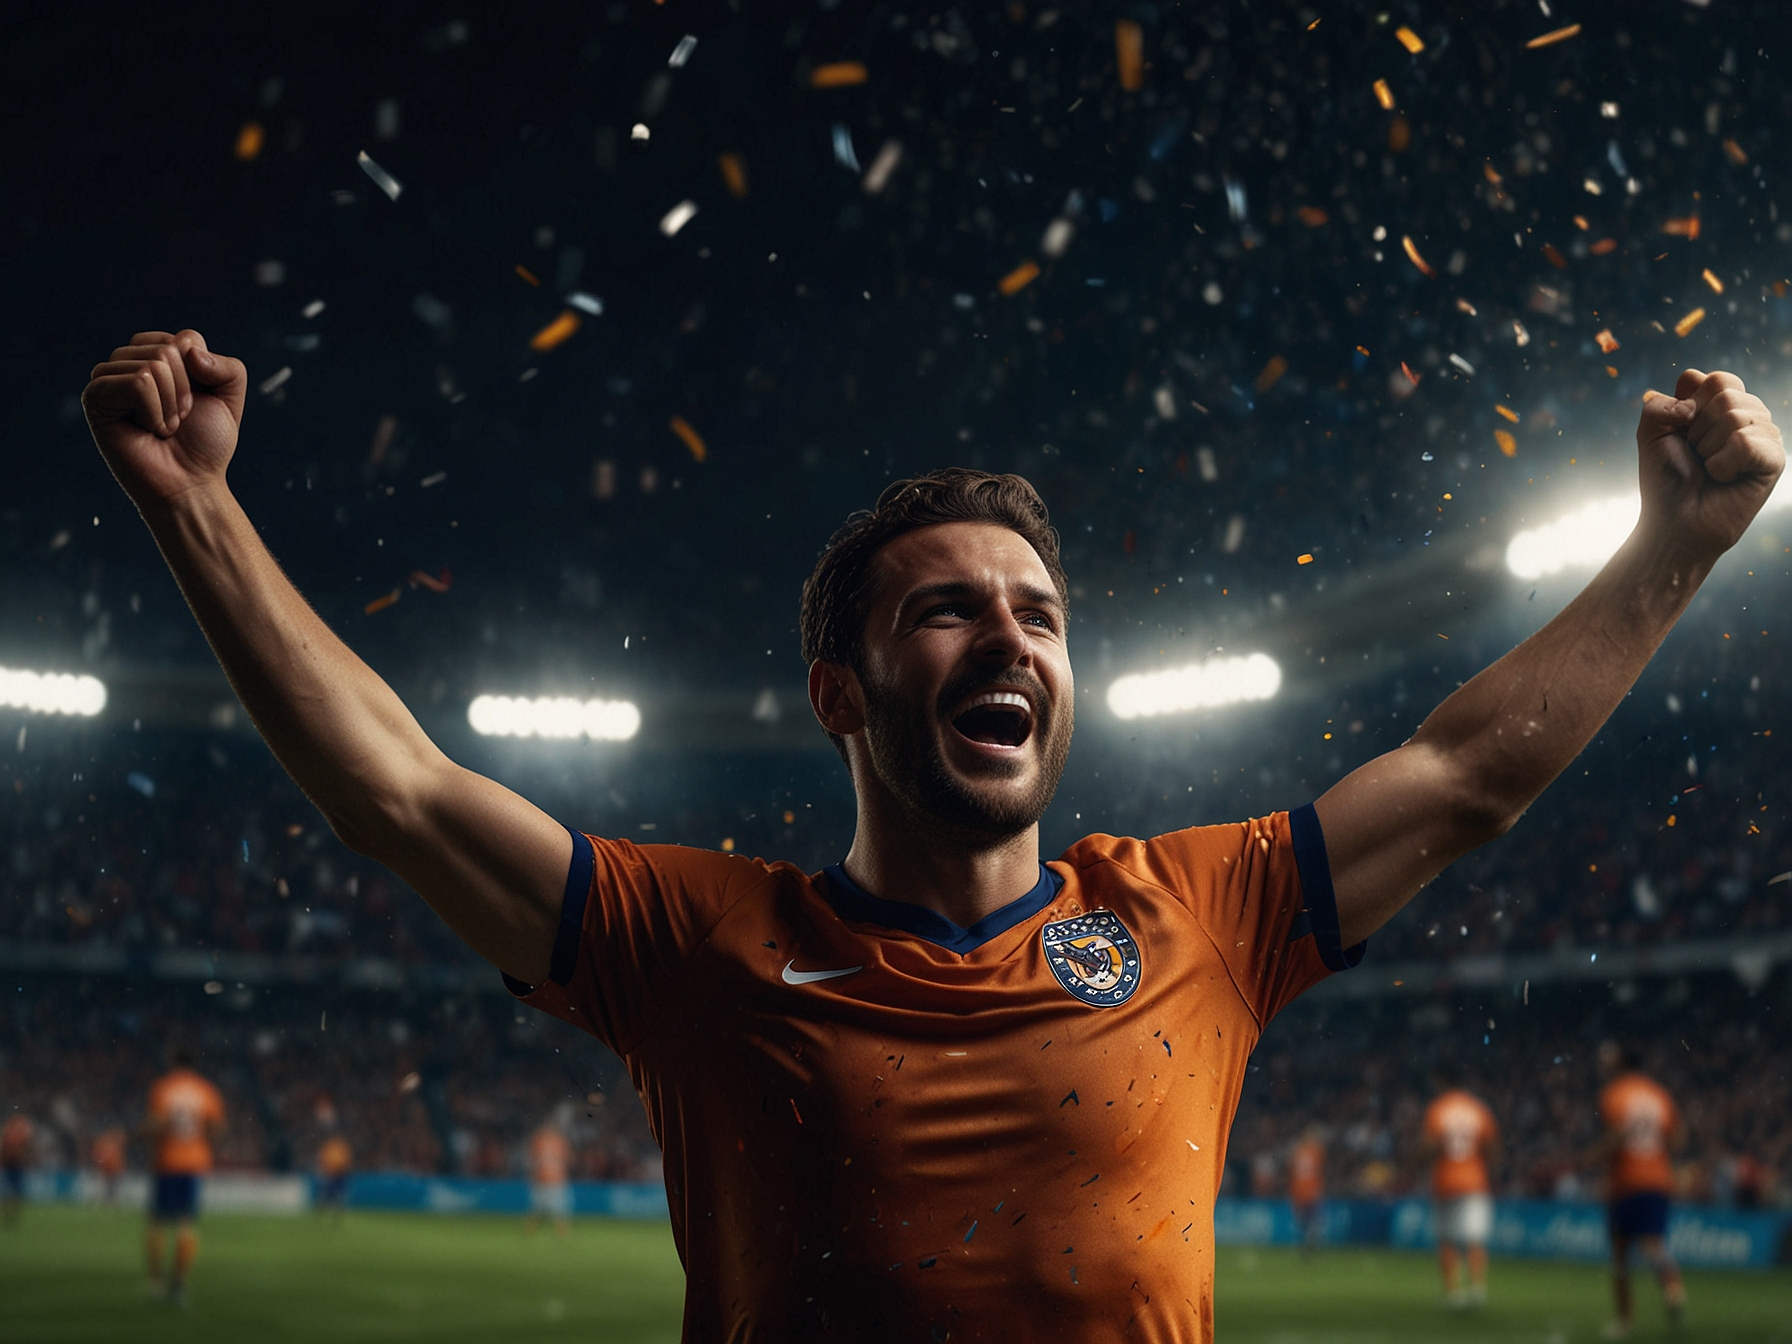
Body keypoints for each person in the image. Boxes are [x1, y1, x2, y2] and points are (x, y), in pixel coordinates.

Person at [81, 329, 1782, 1341]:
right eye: (945, 611)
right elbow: (403, 790)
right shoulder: (696, 940)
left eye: (1038, 611)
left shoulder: (1202, 909)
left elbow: (1467, 766)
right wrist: (197, 506)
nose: (1008, 636)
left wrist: (1674, 547)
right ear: (838, 691)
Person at [1598, 1044, 1685, 1338]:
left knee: (1620, 1253)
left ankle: (1624, 1320)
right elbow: (1676, 1139)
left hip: (1626, 1181)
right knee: (1653, 1244)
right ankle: (1673, 1289)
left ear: (1621, 1063)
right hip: (1658, 1178)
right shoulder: (1659, 1094)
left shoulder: (1614, 1094)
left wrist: (1596, 1157)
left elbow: (1615, 1137)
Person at [141, 1047, 225, 1305]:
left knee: (157, 1221)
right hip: (194, 1163)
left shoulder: (163, 1087)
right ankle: (180, 1283)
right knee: (186, 1222)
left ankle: (155, 1281)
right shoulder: (206, 1090)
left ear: (172, 1060)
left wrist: (145, 1145)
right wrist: (207, 1149)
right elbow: (217, 1128)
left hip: (167, 1162)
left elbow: (156, 1124)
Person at [1423, 1083, 1498, 1308]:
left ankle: (1453, 1292)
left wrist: (1417, 1161)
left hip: (1445, 1181)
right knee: (1474, 1238)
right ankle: (1477, 1288)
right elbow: (1491, 1144)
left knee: (1447, 1239)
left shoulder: (1438, 1108)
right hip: (1474, 1180)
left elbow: (1431, 1144)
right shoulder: (1478, 1109)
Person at [526, 1119, 573, 1237]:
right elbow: (567, 1160)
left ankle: (531, 1230)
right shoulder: (557, 1141)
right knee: (552, 1208)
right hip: (552, 1179)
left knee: (542, 1208)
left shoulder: (540, 1140)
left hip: (548, 1179)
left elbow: (532, 1160)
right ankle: (561, 1232)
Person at [1288, 1126, 1326, 1255]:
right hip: (1310, 1190)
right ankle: (1308, 1248)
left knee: (1304, 1221)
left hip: (1299, 1189)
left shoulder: (1298, 1150)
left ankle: (1305, 1247)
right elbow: (1320, 1170)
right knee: (1312, 1221)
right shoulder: (1316, 1151)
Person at [1, 1113, 32, 1226]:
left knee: (14, 1191)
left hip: (14, 1165)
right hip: (13, 1165)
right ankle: (11, 1213)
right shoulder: (15, 1136)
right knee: (14, 1191)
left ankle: (11, 1213)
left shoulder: (10, 1135)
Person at [315, 1132, 352, 1222]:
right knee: (328, 1194)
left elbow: (347, 1160)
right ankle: (321, 1210)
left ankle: (336, 1215)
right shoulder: (330, 1147)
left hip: (340, 1174)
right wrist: (324, 1170)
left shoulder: (342, 1147)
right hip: (331, 1174)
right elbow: (323, 1159)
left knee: (338, 1196)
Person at [91, 1125, 128, 1206]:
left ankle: (114, 1203)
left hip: (115, 1170)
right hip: (105, 1170)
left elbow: (120, 1158)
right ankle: (101, 1203)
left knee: (115, 1189)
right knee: (103, 1189)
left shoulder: (115, 1143)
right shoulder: (104, 1142)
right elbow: (97, 1155)